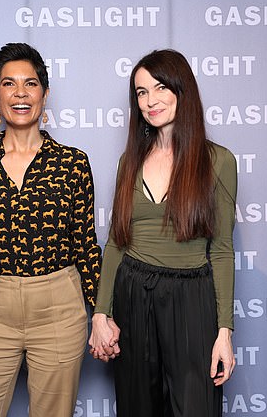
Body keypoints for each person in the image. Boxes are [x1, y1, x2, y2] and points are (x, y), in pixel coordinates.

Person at [0, 43, 101, 417]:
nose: (20, 93)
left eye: (30, 83)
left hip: (59, 311)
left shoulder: (73, 164)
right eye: (8, 84)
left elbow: (86, 246)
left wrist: (102, 314)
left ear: (44, 94)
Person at [89, 49, 237, 417]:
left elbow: (220, 251)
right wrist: (100, 315)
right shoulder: (129, 161)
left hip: (191, 298)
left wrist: (224, 332)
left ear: (181, 89)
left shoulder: (218, 161)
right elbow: (116, 244)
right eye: (140, 93)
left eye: (159, 88)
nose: (150, 101)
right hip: (134, 294)